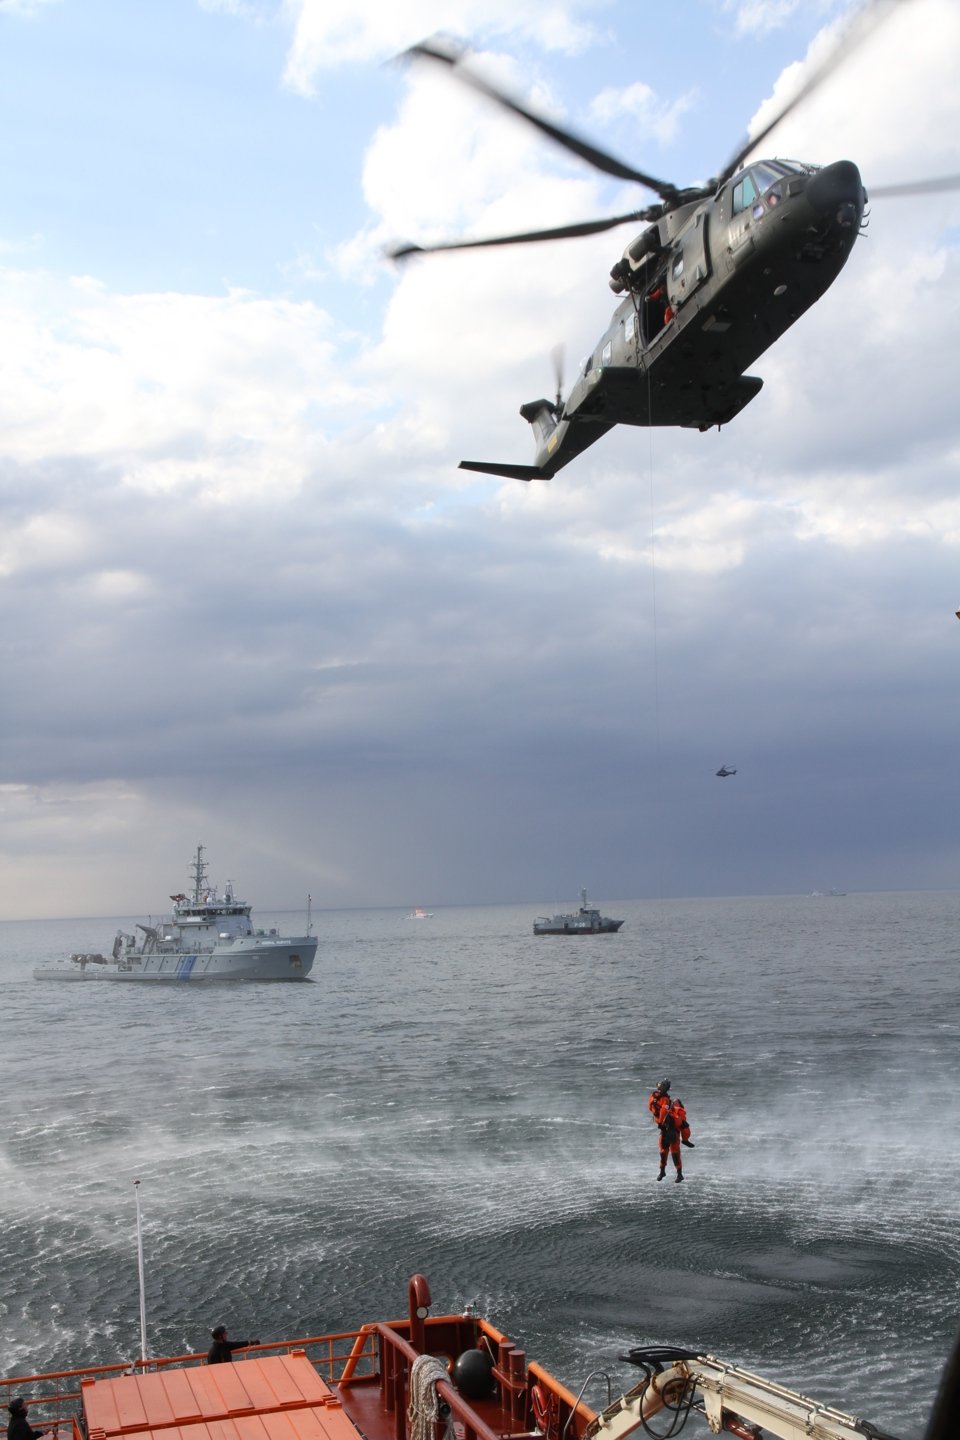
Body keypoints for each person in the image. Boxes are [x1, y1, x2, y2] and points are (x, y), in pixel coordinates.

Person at [648, 1078, 694, 1183]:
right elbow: (683, 1126)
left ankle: (668, 1172)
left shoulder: (654, 1097)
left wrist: (660, 1122)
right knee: (670, 1151)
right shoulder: (672, 1107)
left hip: (667, 1128)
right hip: (668, 1128)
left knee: (667, 1151)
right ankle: (675, 1173)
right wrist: (685, 1139)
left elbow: (656, 1110)